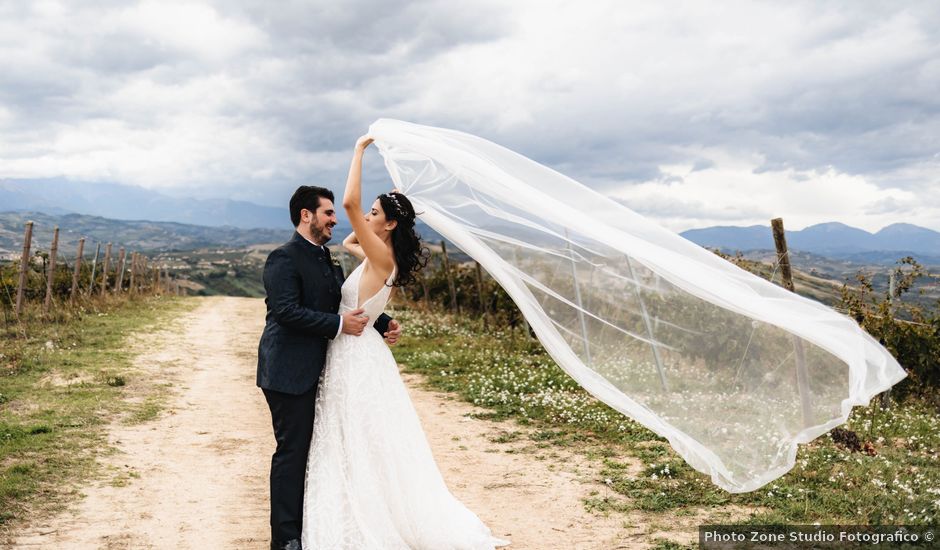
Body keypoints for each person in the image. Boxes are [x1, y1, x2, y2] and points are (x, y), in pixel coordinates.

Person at [301, 136, 508, 549]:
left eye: (375, 213)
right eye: (371, 213)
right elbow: (349, 240)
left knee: (357, 438)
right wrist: (384, 214)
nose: (366, 216)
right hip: (360, 354)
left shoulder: (382, 259)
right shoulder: (379, 256)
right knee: (358, 438)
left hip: (356, 357)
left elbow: (347, 206)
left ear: (389, 224)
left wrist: (359, 150)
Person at [257, 184, 402, 550]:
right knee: (293, 452)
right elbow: (285, 312)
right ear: (306, 215)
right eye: (328, 213)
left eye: (336, 213)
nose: (335, 219)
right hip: (288, 372)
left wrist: (381, 322)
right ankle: (286, 539)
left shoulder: (326, 258)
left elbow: (339, 303)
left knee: (315, 451)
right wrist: (340, 327)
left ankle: (313, 527)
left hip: (319, 369)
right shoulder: (283, 258)